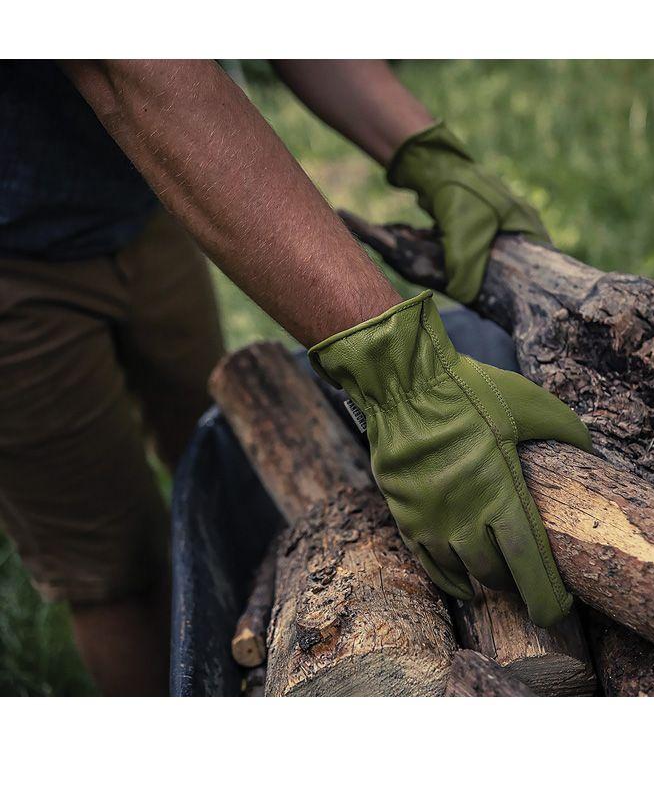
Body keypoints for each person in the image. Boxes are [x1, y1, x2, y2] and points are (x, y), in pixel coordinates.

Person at [0, 60, 590, 695]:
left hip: (137, 195)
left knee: (217, 475)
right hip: (13, 263)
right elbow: (128, 63)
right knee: (113, 566)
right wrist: (403, 378)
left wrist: (434, 158)